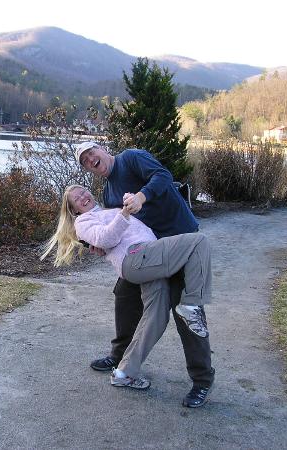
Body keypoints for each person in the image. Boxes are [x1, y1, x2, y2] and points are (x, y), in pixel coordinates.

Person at [74, 141, 215, 408]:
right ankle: (120, 357)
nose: (90, 159)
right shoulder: (108, 193)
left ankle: (202, 380)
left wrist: (141, 196)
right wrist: (95, 245)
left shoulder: (131, 158)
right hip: (148, 252)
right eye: (84, 161)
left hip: (179, 242)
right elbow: (113, 227)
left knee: (187, 312)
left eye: (91, 153)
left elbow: (163, 176)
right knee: (124, 296)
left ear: (103, 149)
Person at [42, 185, 212, 392]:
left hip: (149, 262)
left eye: (84, 191)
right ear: (74, 209)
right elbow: (105, 238)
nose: (83, 196)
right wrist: (124, 213)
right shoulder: (83, 221)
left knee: (156, 318)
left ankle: (124, 373)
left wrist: (129, 203)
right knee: (198, 242)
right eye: (77, 198)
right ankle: (192, 305)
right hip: (138, 256)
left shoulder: (107, 211)